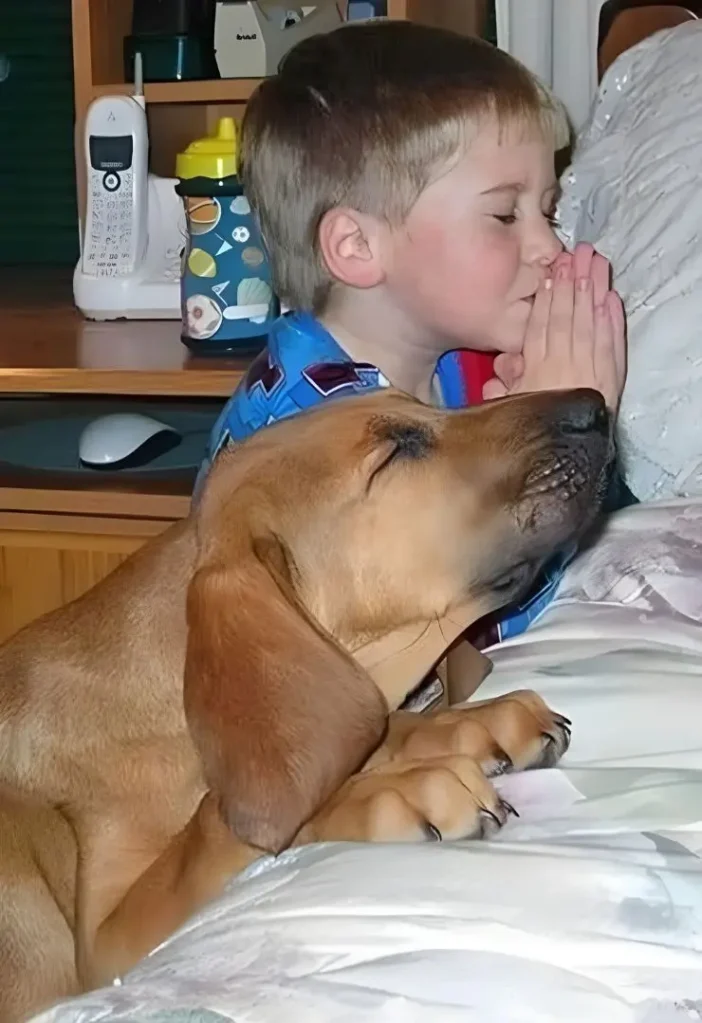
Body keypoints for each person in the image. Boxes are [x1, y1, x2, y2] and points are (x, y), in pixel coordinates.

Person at [196, 19, 627, 651]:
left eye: (548, 210)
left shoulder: (457, 366)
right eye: (505, 214)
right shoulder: (314, 452)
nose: (547, 245)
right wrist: (553, 444)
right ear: (358, 246)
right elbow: (449, 646)